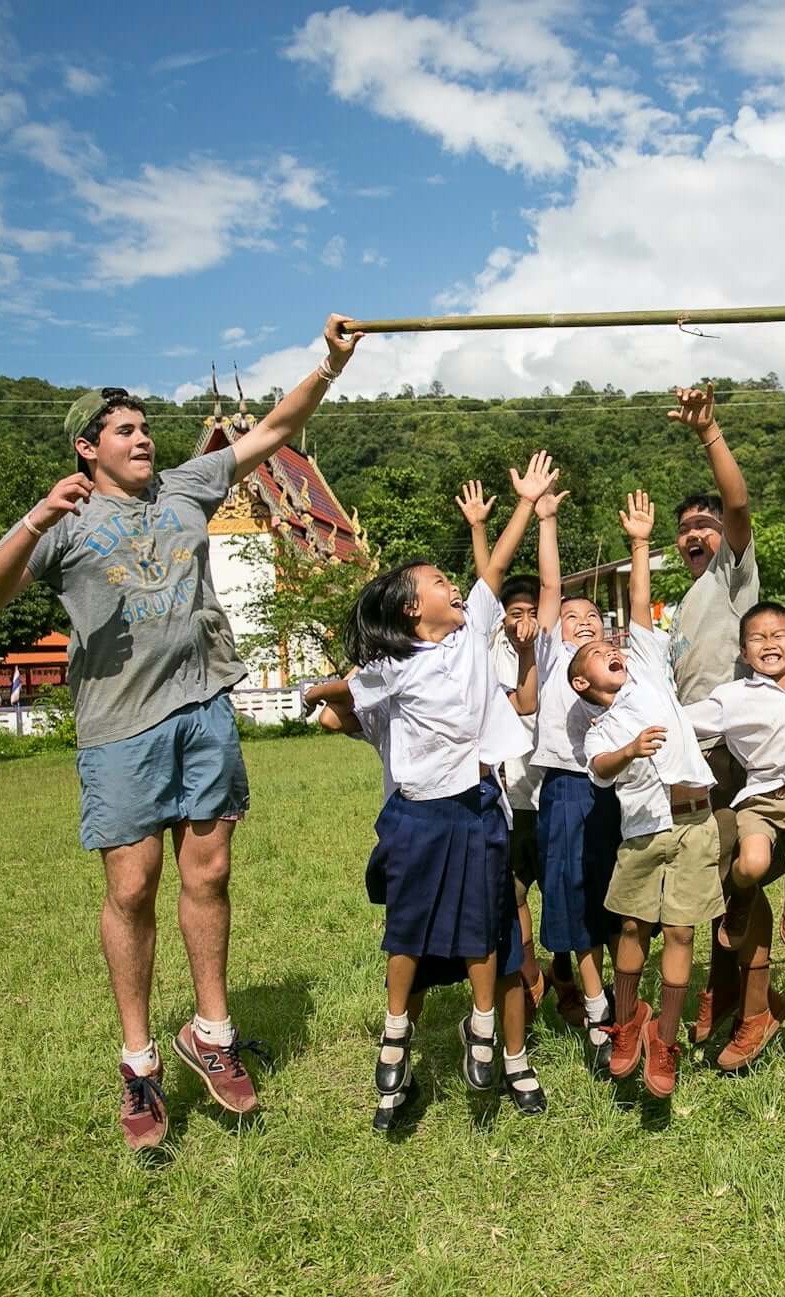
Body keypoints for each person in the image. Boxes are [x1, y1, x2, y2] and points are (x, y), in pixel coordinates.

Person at [0, 314, 362, 1151]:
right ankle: (139, 1063)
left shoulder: (188, 487)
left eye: (146, 426)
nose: (143, 438)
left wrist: (327, 364)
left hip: (204, 706)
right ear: (87, 446)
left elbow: (277, 430)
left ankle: (210, 1036)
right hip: (118, 727)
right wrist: (38, 517)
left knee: (209, 871)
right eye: (125, 430)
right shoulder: (64, 521)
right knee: (132, 886)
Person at [335, 451, 558, 1126]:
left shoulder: (470, 638)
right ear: (411, 607)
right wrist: (324, 693)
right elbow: (339, 697)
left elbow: (490, 570)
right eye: (438, 582)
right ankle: (397, 1030)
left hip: (478, 807)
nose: (454, 586)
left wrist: (522, 504)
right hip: (414, 817)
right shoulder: (391, 668)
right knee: (410, 932)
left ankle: (485, 1026)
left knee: (485, 927)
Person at [568, 491, 723, 1098]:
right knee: (632, 926)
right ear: (584, 681)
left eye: (616, 647)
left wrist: (639, 544)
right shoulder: (600, 726)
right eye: (601, 656)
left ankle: (664, 1036)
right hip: (642, 835)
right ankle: (627, 1021)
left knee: (682, 932)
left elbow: (637, 607)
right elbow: (601, 769)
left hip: (693, 823)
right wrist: (631, 749)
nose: (614, 651)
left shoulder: (651, 670)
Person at [684, 600, 785, 1071]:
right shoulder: (733, 697)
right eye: (757, 638)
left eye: (779, 637)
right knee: (748, 866)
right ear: (743, 651)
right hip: (759, 798)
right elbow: (683, 720)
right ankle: (743, 901)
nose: (769, 644)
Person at [661, 383, 766, 1047]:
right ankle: (725, 990)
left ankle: (740, 1001)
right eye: (686, 529)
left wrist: (709, 434)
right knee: (700, 877)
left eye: (704, 526)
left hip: (731, 751)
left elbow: (737, 502)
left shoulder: (732, 576)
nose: (696, 533)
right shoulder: (684, 602)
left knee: (736, 879)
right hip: (690, 756)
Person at [530, 474, 626, 1073]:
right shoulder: (551, 657)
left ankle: (626, 1005)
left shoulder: (622, 666)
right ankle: (595, 1008)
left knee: (622, 903)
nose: (583, 621)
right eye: (572, 617)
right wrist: (545, 521)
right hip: (567, 790)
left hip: (619, 793)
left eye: (593, 614)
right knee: (572, 902)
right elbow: (547, 587)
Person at [462, 481, 550, 1013]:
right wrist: (478, 528)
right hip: (506, 794)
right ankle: (529, 968)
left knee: (563, 889)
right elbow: (485, 585)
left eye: (529, 611)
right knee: (513, 892)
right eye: (512, 613)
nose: (521, 621)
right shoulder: (488, 646)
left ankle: (564, 976)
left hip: (550, 790)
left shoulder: (554, 649)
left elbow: (531, 700)